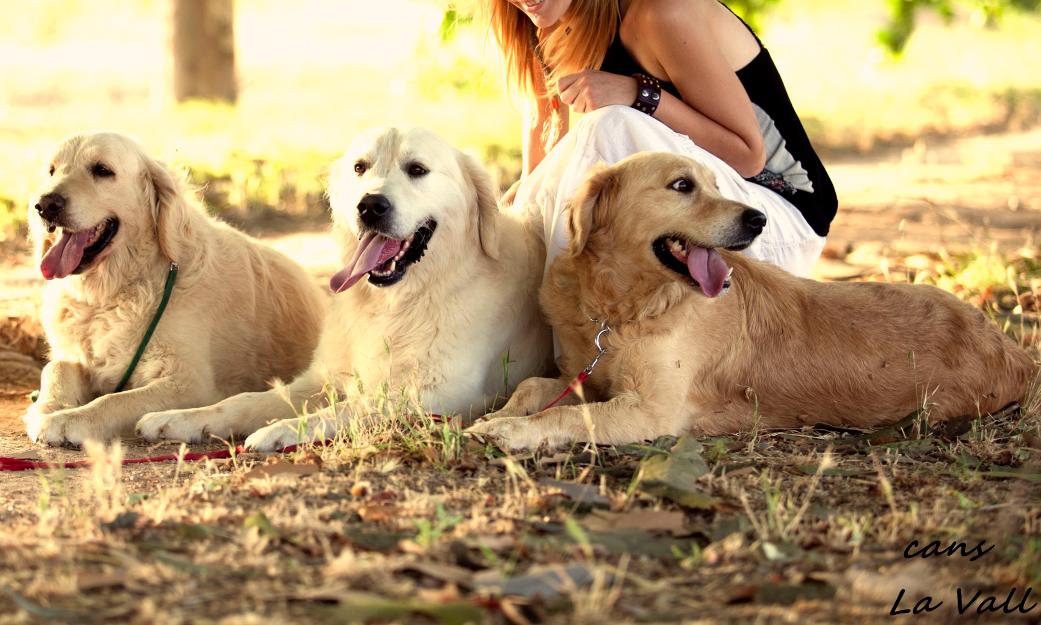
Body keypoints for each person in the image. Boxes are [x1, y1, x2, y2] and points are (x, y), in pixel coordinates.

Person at [488, 0, 838, 278]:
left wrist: (640, 94)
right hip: (689, 218)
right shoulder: (539, 18)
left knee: (610, 125)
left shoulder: (662, 10)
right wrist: (524, 202)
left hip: (770, 221)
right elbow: (546, 154)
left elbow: (749, 155)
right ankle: (521, 311)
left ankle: (555, 338)